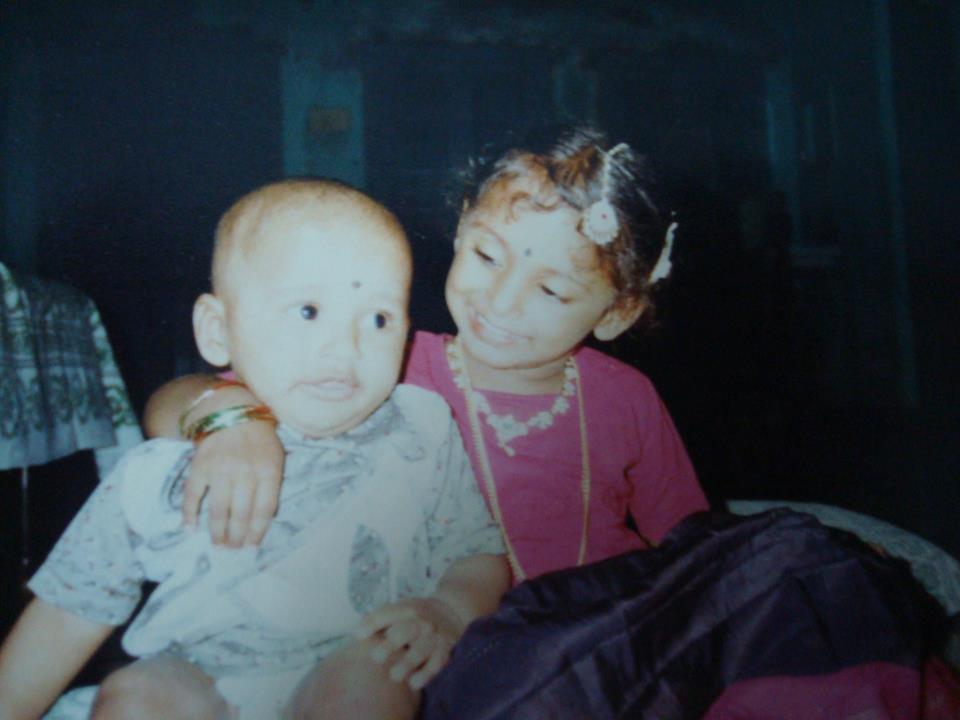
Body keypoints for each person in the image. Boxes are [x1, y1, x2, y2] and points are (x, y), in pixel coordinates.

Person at [142, 130, 946, 718]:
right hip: (476, 663)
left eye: (553, 291)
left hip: (625, 644)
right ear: (461, 227)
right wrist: (229, 419)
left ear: (617, 312)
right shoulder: (386, 365)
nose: (500, 301)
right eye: (487, 256)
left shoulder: (626, 397)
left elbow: (691, 546)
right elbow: (173, 400)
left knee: (799, 561)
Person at [0, 179, 509, 720]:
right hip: (196, 674)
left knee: (369, 687)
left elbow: (478, 551)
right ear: (217, 331)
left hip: (355, 658)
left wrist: (449, 610)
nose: (346, 346)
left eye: (379, 319)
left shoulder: (423, 430)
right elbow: (66, 615)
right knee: (136, 695)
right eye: (308, 311)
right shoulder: (162, 468)